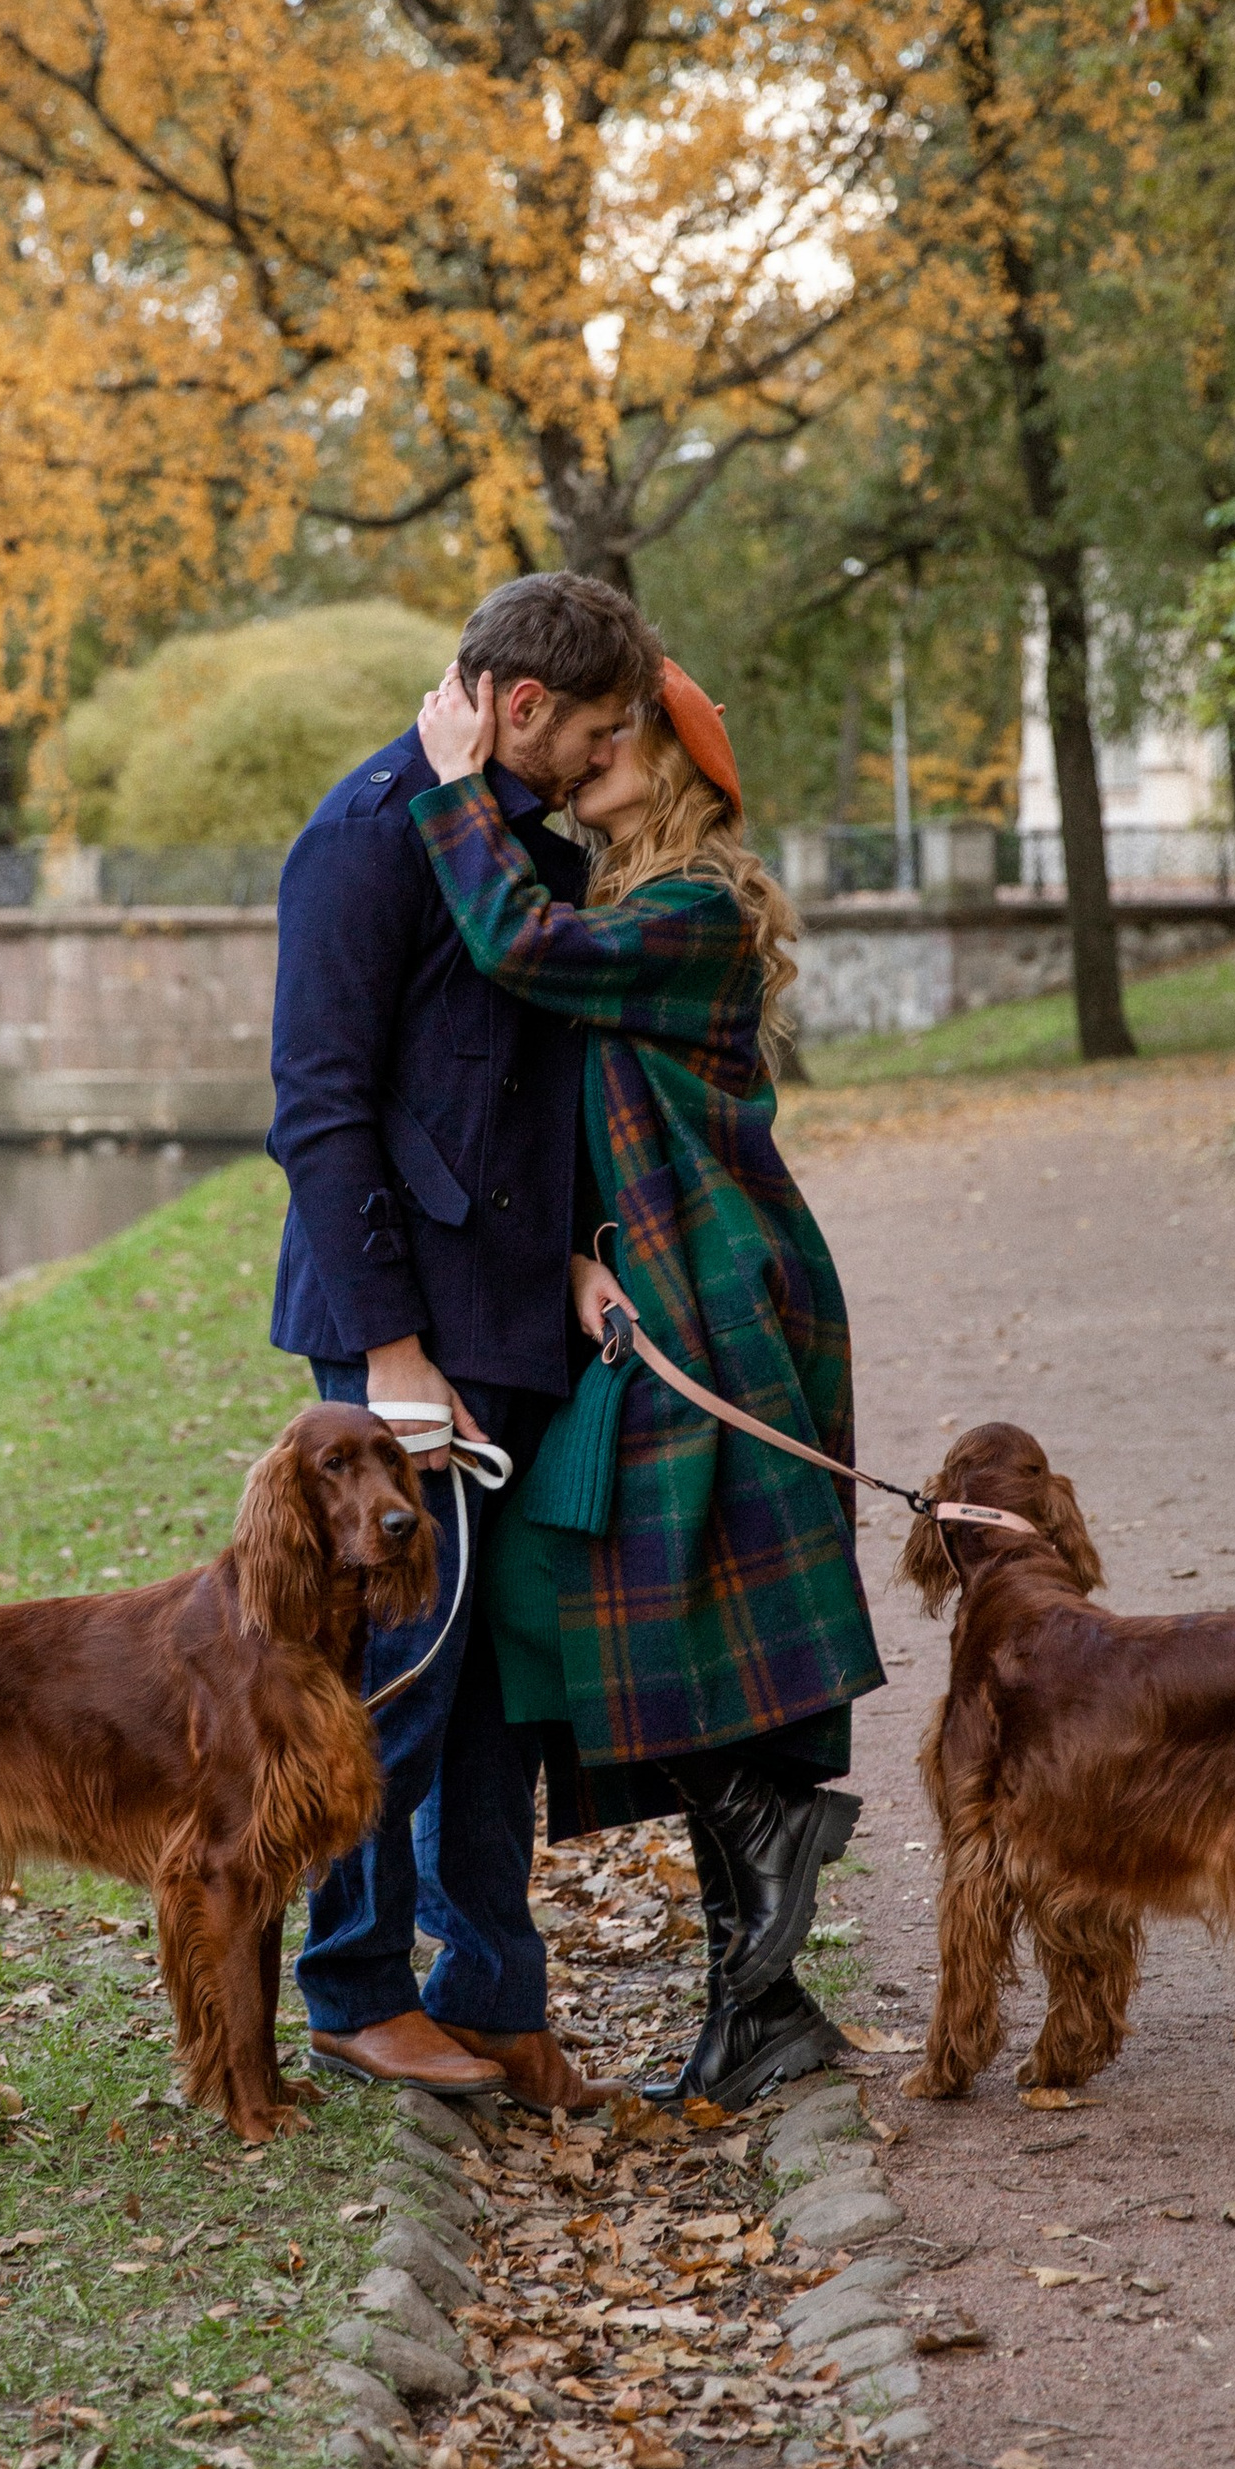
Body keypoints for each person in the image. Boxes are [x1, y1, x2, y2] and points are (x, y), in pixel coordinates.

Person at [408, 650, 885, 2110]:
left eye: (628, 737)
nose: (598, 752)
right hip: (659, 1287)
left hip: (720, 1295)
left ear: (684, 766)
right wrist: (560, 1260)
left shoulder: (696, 907)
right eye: (593, 732)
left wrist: (446, 800)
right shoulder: (632, 897)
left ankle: (765, 1935)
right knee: (649, 1622)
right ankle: (767, 1993)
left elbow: (526, 955)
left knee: (667, 1611)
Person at [267, 570, 668, 2106]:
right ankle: (353, 1990)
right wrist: (385, 1355)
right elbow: (319, 1109)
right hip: (402, 1348)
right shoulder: (366, 835)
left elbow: (513, 1069)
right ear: (520, 707)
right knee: (401, 1677)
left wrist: (569, 1249)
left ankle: (495, 1992)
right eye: (594, 729)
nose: (601, 756)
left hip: (516, 1319)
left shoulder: (517, 840)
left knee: (500, 1679)